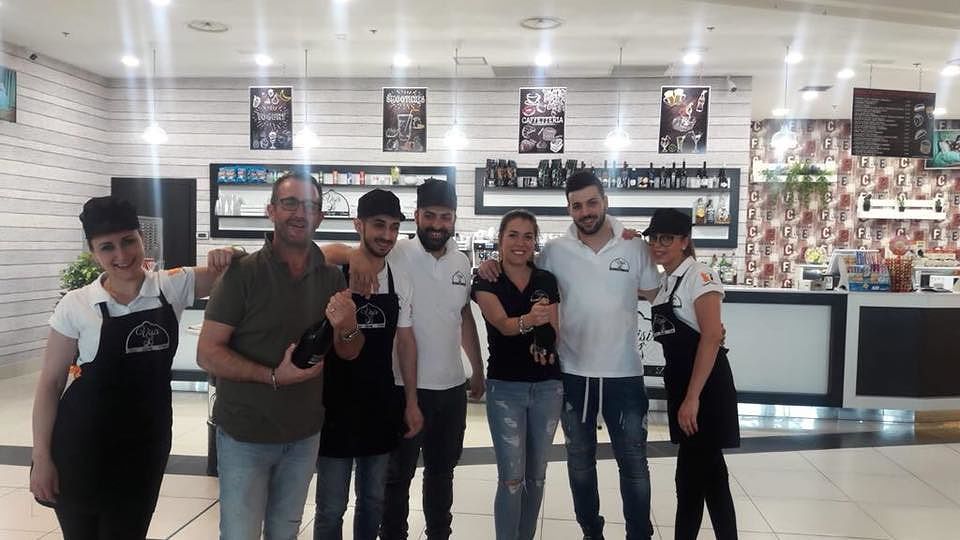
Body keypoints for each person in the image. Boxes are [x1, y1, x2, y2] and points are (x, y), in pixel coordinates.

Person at [30, 195, 239, 539]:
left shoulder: (171, 286)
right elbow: (50, 384)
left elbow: (243, 272)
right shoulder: (77, 304)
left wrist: (231, 253)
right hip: (80, 445)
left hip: (144, 443)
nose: (122, 255)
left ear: (142, 239)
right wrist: (42, 457)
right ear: (93, 252)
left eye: (128, 241)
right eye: (107, 247)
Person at [478, 171, 660, 540]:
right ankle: (592, 532)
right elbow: (521, 265)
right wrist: (488, 264)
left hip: (625, 373)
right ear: (569, 209)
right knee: (579, 464)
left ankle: (639, 534)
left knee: (634, 465)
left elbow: (656, 293)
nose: (586, 211)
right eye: (577, 205)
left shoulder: (634, 247)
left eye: (592, 202)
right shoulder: (555, 252)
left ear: (605, 201)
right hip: (572, 372)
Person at [196, 172, 365, 540]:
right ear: (271, 210)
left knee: (285, 532)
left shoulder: (331, 278)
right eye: (290, 203)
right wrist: (273, 375)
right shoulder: (242, 273)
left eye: (310, 206)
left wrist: (349, 325)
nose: (300, 213)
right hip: (245, 434)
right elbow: (207, 353)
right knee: (240, 533)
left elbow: (349, 351)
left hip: (304, 435)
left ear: (320, 217)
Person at [321, 178, 485, 540]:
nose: (438, 224)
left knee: (440, 475)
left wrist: (477, 368)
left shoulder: (461, 260)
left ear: (454, 218)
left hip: (447, 389)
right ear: (417, 215)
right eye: (430, 215)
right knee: (391, 482)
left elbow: (461, 317)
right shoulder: (397, 253)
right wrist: (352, 254)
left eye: (445, 217)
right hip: (396, 387)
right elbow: (325, 253)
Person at [314, 189, 423, 540]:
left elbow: (405, 342)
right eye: (379, 225)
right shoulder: (334, 269)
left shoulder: (399, 278)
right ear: (358, 224)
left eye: (394, 227)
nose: (387, 235)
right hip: (334, 403)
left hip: (380, 402)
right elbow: (309, 253)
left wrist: (411, 402)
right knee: (330, 508)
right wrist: (350, 254)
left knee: (373, 501)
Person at [644, 209, 740, 540]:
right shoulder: (666, 281)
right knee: (711, 478)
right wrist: (626, 236)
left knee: (690, 480)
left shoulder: (700, 276)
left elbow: (711, 337)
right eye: (654, 238)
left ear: (685, 241)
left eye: (667, 239)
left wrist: (692, 398)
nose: (658, 245)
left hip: (705, 391)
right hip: (684, 387)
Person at [470, 209, 562, 540]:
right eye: (513, 235)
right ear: (500, 239)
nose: (520, 243)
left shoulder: (546, 279)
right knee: (511, 478)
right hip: (505, 388)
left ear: (535, 242)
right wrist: (530, 321)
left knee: (536, 477)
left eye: (528, 236)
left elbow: (554, 330)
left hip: (548, 388)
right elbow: (502, 325)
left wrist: (545, 337)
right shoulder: (486, 279)